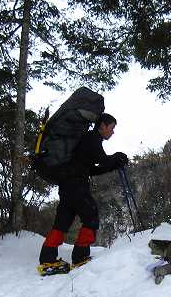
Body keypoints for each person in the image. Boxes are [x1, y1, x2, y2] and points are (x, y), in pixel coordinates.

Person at [38, 112, 128, 274]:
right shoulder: (92, 138)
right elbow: (103, 161)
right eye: (112, 128)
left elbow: (91, 168)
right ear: (103, 126)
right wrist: (117, 158)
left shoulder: (87, 139)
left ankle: (47, 260)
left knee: (63, 221)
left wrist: (114, 163)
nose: (113, 132)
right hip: (76, 184)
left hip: (67, 184)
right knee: (91, 216)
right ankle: (80, 257)